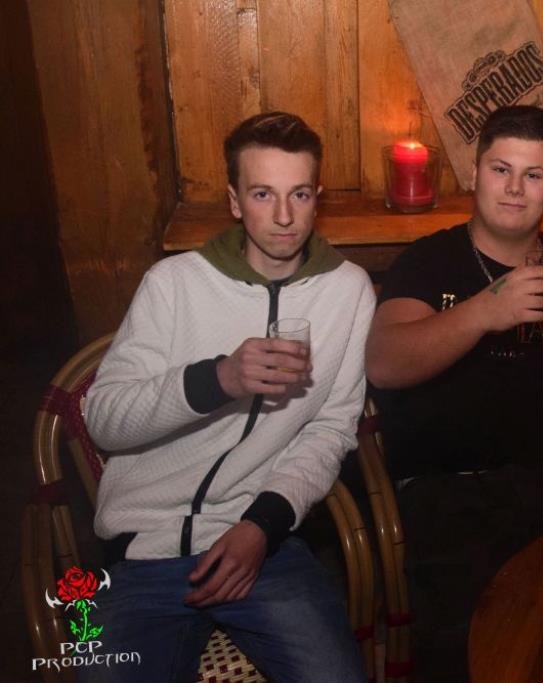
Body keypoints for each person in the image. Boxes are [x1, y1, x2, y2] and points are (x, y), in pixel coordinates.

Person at [83, 112, 373, 682]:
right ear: (235, 202)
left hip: (263, 547)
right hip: (143, 556)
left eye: (300, 194)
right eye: (263, 194)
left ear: (317, 200)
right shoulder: (173, 284)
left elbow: (331, 430)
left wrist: (262, 527)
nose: (284, 216)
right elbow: (104, 420)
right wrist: (218, 380)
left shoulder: (349, 291)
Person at [365, 105, 543, 680]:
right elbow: (384, 364)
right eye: (501, 169)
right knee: (476, 647)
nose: (515, 188)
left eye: (533, 175)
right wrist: (487, 310)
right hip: (447, 492)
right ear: (474, 175)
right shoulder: (428, 262)